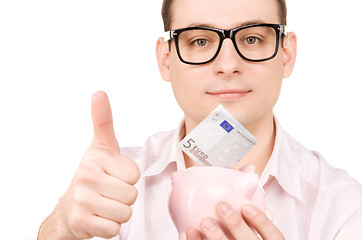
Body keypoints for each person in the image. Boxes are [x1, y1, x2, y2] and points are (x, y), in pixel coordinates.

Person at [25, 0, 362, 239]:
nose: (228, 64)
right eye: (200, 41)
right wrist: (61, 229)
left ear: (286, 54)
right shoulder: (112, 189)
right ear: (166, 60)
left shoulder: (342, 209)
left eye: (252, 38)